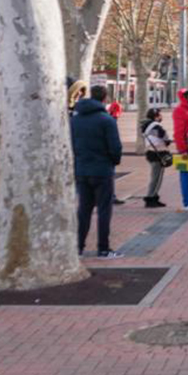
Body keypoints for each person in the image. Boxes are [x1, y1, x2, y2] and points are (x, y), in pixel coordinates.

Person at [71, 85, 123, 258]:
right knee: (104, 211)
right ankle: (103, 248)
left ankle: (78, 247)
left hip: (81, 169)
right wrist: (113, 161)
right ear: (105, 98)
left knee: (83, 210)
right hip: (102, 170)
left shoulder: (75, 119)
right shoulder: (106, 120)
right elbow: (115, 147)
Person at [141, 107, 170, 208]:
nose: (161, 116)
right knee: (157, 178)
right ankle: (151, 198)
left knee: (155, 177)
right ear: (156, 116)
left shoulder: (146, 125)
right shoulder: (156, 126)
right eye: (160, 115)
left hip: (150, 152)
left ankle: (154, 197)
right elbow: (166, 138)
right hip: (157, 153)